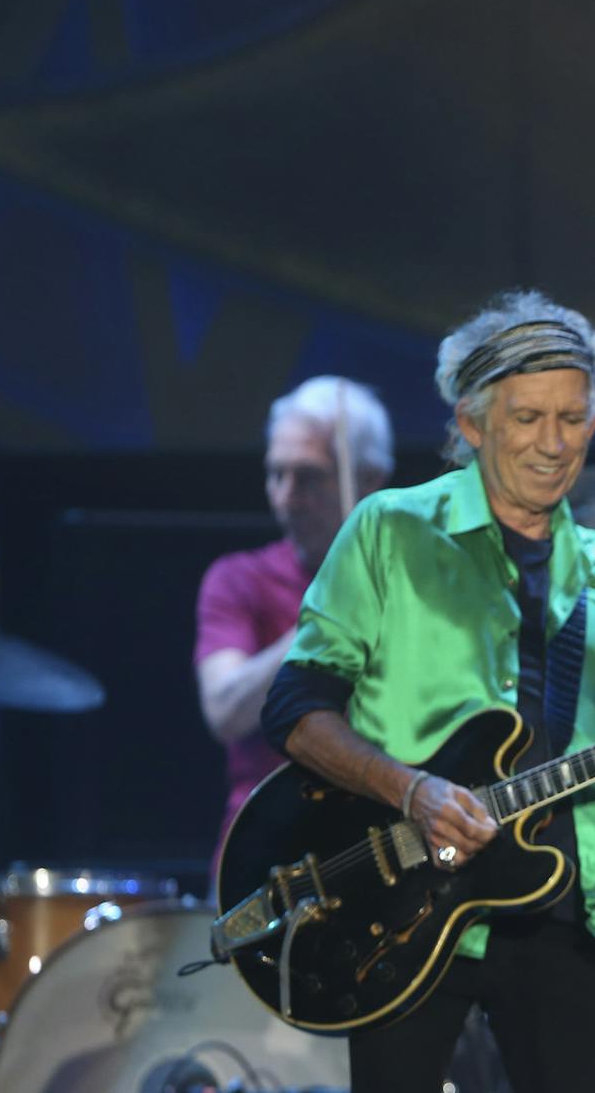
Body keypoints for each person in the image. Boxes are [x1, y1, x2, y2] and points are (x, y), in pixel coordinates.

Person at [259, 290, 595, 1093]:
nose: (554, 444)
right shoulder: (389, 529)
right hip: (402, 906)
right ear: (471, 424)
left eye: (573, 417)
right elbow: (293, 710)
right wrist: (411, 790)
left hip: (567, 911)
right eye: (527, 418)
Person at [194, 375, 395, 877]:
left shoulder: (412, 584)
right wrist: (324, 614)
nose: (285, 497)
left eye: (307, 477)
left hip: (386, 853)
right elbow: (224, 710)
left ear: (368, 480)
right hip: (266, 858)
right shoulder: (239, 579)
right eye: (275, 475)